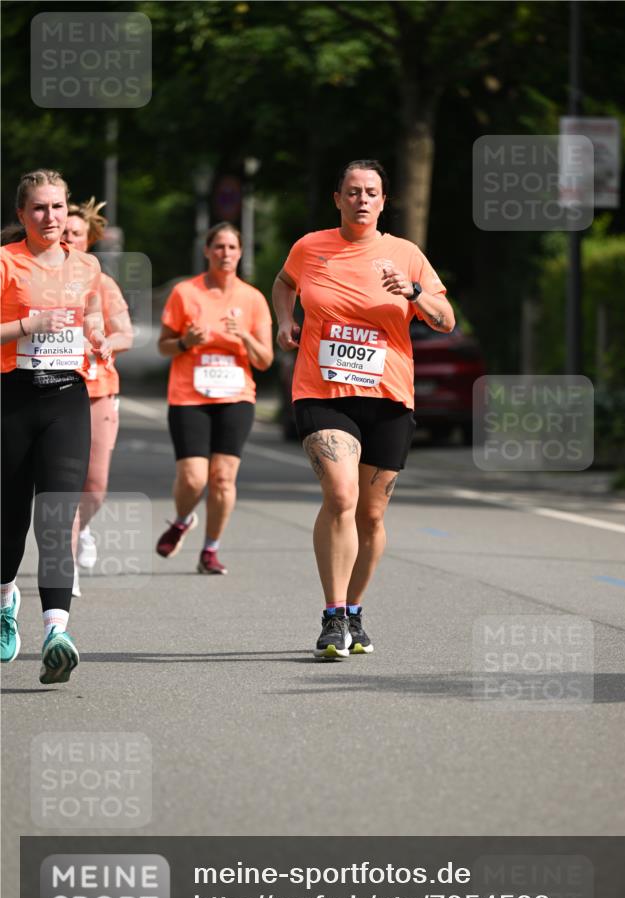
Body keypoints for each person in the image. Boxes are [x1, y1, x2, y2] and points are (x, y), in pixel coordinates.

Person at [273, 159, 455, 659]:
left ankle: (354, 610)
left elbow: (444, 319)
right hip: (322, 391)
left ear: (383, 201)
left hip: (389, 397)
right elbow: (284, 283)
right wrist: (285, 322)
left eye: (371, 192)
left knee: (371, 516)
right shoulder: (310, 248)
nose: (361, 200)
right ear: (338, 198)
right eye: (352, 192)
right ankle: (332, 616)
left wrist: (413, 292)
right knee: (340, 493)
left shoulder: (405, 254)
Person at [0, 169, 111, 681]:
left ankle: (56, 632)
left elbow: (90, 316)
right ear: (22, 214)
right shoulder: (5, 262)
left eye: (58, 208)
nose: (51, 217)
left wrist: (97, 337)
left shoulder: (86, 266)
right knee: (9, 523)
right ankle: (6, 603)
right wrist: (28, 325)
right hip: (12, 398)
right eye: (40, 209)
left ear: (70, 213)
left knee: (55, 518)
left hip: (68, 395)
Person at [156, 222, 273, 572]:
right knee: (194, 477)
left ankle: (210, 550)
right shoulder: (184, 293)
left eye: (232, 248)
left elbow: (264, 360)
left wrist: (245, 338)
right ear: (207, 251)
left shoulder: (252, 298)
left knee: (223, 478)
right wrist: (185, 343)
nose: (225, 254)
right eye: (218, 247)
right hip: (189, 395)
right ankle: (181, 520)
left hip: (236, 396)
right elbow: (164, 347)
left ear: (240, 253)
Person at [64, 198, 134, 596]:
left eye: (77, 233)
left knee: (95, 485)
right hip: (55, 389)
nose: (69, 239)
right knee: (63, 483)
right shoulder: (45, 277)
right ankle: (65, 565)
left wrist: (108, 342)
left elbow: (125, 332)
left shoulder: (101, 283)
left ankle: (84, 528)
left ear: (89, 239)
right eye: (65, 232)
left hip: (98, 390)